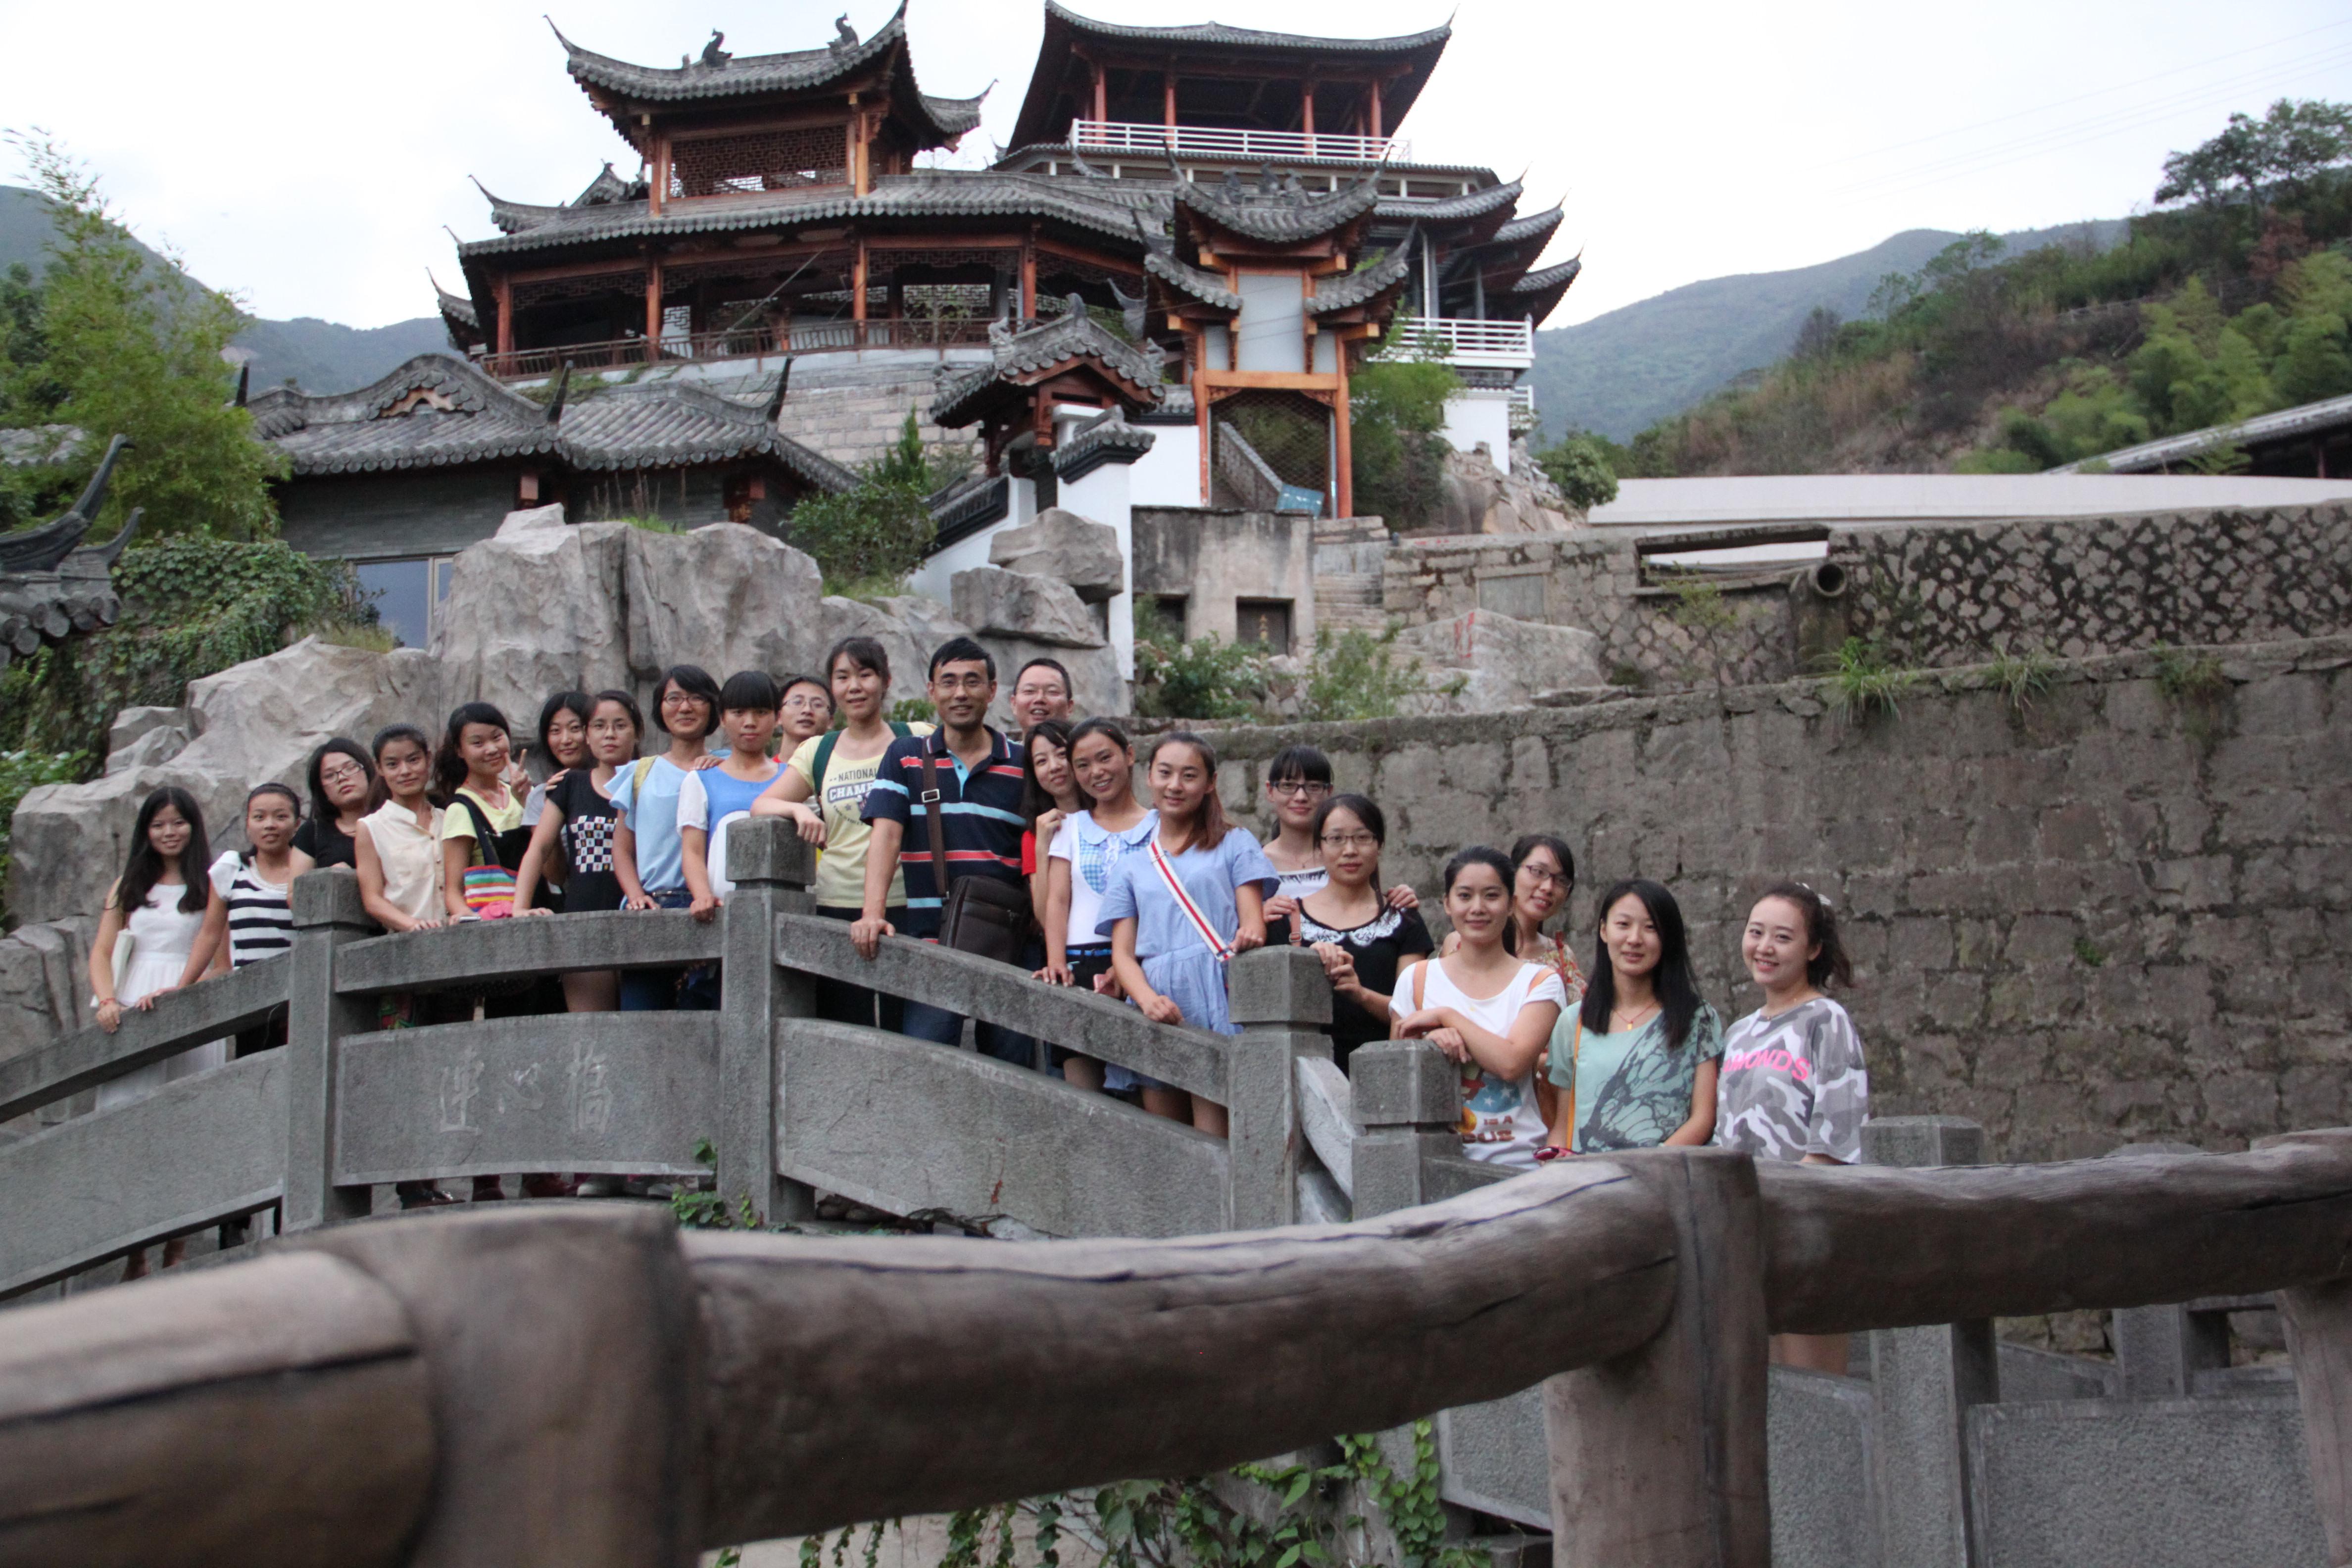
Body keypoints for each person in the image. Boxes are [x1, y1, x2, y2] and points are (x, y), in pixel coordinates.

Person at [854, 637, 1031, 1065]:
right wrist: (872, 913)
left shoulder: (1023, 764)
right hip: (931, 943)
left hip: (1007, 947)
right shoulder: (907, 757)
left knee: (1015, 1071)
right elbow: (886, 836)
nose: (961, 693)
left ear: (992, 691)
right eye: (949, 682)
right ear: (931, 691)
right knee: (925, 1064)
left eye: (973, 682)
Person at [1715, 881, 1867, 1374]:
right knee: (1760, 1385)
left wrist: (1784, 1209)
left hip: (1806, 1227)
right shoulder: (1739, 1033)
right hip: (1745, 1229)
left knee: (1814, 1386)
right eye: (1756, 932)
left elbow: (1838, 1132)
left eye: (1783, 937)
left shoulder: (1827, 1020)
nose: (1765, 947)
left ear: (1813, 948)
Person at [1097, 732, 1277, 1131]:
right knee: (1165, 1136)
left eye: (1189, 775)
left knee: (1213, 1132)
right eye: (1165, 773)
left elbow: (1253, 922)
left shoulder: (1235, 842)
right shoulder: (1130, 864)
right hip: (1157, 998)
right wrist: (1147, 1001)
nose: (1175, 785)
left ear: (1211, 783)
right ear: (1149, 777)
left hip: (1216, 992)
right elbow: (1122, 954)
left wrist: (1249, 935)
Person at [755, 636, 930, 1029]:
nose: (854, 687)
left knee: (908, 1030)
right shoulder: (819, 750)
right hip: (836, 904)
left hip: (908, 901)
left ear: (886, 680)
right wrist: (797, 808)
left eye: (865, 675)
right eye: (843, 677)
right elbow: (762, 804)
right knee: (844, 1028)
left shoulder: (917, 737)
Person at [90, 786, 227, 1274]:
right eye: (159, 824)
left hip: (188, 1007)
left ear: (194, 826)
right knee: (131, 1126)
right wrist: (109, 999)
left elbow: (222, 966)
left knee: (185, 1129)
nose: (170, 832)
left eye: (178, 822)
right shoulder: (128, 885)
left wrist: (182, 992)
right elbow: (102, 951)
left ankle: (176, 1247)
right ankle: (135, 1252)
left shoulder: (211, 884)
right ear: (146, 831)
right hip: (133, 1005)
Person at [1390, 847, 1568, 1172]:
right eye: (1464, 896)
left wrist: (1447, 1017)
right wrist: (1432, 1043)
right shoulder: (1416, 980)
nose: (1477, 908)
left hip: (1516, 1166)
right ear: (1447, 903)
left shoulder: (1539, 982)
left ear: (1512, 904)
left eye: (1491, 896)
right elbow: (1396, 1073)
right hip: (1432, 1166)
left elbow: (1512, 1063)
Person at [1540, 879, 1722, 1160]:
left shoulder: (1697, 1018)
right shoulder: (1573, 1021)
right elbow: (1564, 1125)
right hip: (1587, 1180)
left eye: (1651, 928)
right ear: (1604, 930)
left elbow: (1703, 1118)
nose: (1635, 939)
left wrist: (1647, 1165)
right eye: (1623, 925)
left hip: (1665, 1176)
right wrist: (1553, 1162)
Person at [1038, 717, 1157, 1092]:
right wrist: (1056, 962)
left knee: (1148, 1091)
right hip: (1079, 965)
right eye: (1083, 765)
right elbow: (1058, 901)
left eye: (1105, 758)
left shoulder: (1160, 826)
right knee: (1083, 1093)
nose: (1097, 772)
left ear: (1130, 755)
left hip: (1144, 965)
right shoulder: (1071, 828)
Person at [514, 690, 641, 1015]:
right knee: (591, 1032)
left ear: (637, 731)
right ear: (588, 734)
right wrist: (520, 907)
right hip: (582, 922)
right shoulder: (571, 784)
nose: (609, 734)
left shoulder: (650, 779)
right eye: (599, 726)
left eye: (620, 725)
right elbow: (539, 848)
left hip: (639, 919)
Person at [609, 665, 724, 1012]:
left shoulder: (728, 767)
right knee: (642, 1016)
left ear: (713, 708)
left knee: (705, 1020)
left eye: (697, 698)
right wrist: (635, 895)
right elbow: (622, 849)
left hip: (711, 906)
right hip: (653, 904)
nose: (685, 707)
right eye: (674, 698)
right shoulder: (640, 771)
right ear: (660, 707)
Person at [1294, 794, 1432, 1074]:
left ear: (1380, 845)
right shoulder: (1288, 920)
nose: (1350, 850)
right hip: (1305, 1074)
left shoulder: (1404, 920)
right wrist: (1306, 963)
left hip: (1383, 1073)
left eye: (1363, 838)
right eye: (1336, 839)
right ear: (1319, 846)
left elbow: (1414, 1014)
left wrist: (1361, 995)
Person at [1260, 745, 1415, 943]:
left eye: (1314, 786)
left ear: (1329, 792)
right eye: (1288, 786)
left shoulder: (1347, 859)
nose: (1301, 797)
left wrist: (1400, 899)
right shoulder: (1254, 864)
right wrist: (1256, 918)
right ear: (1270, 791)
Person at [680, 671, 787, 926]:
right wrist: (703, 895)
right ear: (722, 718)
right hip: (722, 913)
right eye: (739, 713)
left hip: (784, 911)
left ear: (778, 718)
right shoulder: (701, 780)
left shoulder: (793, 778)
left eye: (761, 712)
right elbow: (692, 850)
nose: (750, 722)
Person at [436, 703, 528, 922]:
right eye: (478, 743)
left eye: (497, 737)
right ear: (459, 750)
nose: (492, 749)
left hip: (539, 913)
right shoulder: (461, 809)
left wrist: (527, 802)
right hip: (495, 922)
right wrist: (472, 922)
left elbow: (554, 872)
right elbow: (453, 891)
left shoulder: (522, 793)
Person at [355, 725, 447, 938]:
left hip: (459, 933)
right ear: (379, 768)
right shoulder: (372, 827)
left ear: (428, 759)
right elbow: (373, 899)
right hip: (407, 941)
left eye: (413, 760)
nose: (405, 771)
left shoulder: (447, 819)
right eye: (392, 765)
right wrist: (413, 925)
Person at [519, 692, 595, 913]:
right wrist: (552, 806)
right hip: (574, 905)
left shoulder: (620, 783)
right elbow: (556, 875)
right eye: (555, 731)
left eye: (575, 728)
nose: (565, 740)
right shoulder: (541, 796)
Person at [295, 739, 375, 870]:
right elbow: (297, 883)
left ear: (367, 770)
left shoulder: (393, 819)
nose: (342, 778)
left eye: (350, 768)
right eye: (329, 776)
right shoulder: (312, 832)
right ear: (322, 790)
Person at [1009, 656, 1076, 735]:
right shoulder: (1000, 743)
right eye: (1029, 691)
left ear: (1069, 707)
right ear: (1014, 704)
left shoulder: (1086, 743)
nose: (1039, 699)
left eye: (1052, 692)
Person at [778, 673, 834, 753]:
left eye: (818, 705)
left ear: (830, 721)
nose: (807, 710)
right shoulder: (761, 761)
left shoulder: (842, 762)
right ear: (779, 717)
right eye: (797, 702)